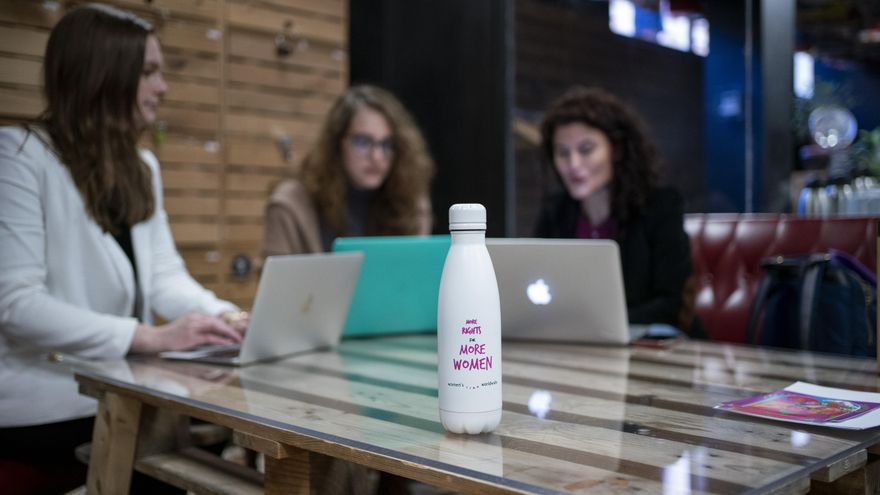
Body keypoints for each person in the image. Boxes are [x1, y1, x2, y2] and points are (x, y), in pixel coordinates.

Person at [0, 5, 247, 492]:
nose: (163, 87)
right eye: (149, 72)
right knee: (187, 456)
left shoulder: (142, 165)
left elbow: (164, 279)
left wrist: (227, 317)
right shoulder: (19, 155)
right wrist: (149, 337)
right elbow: (15, 303)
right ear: (103, 77)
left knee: (208, 445)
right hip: (39, 397)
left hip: (112, 389)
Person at [534, 86, 697, 333]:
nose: (574, 164)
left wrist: (594, 325)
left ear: (617, 150)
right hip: (577, 344)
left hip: (651, 344)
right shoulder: (556, 212)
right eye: (563, 153)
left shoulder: (660, 205)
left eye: (586, 149)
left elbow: (671, 305)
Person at [262, 85, 435, 257]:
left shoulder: (411, 205)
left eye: (387, 144)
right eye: (363, 142)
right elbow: (274, 282)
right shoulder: (290, 205)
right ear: (337, 143)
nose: (376, 156)